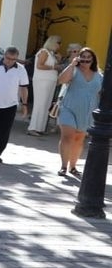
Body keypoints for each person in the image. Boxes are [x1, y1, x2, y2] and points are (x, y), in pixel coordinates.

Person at [56, 46, 103, 177]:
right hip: (68, 108)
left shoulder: (99, 76)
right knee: (67, 137)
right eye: (83, 58)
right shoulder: (74, 70)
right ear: (78, 59)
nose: (86, 60)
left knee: (78, 139)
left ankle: (73, 166)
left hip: (88, 111)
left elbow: (102, 94)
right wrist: (72, 64)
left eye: (89, 58)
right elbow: (61, 80)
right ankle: (64, 166)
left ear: (93, 60)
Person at [28, 35, 62, 135]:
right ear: (53, 42)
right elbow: (39, 65)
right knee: (40, 104)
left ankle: (40, 128)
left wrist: (58, 61)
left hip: (50, 81)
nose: (59, 45)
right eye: (58, 43)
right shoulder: (44, 52)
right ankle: (33, 127)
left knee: (46, 105)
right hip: (42, 81)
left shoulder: (51, 54)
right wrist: (54, 66)